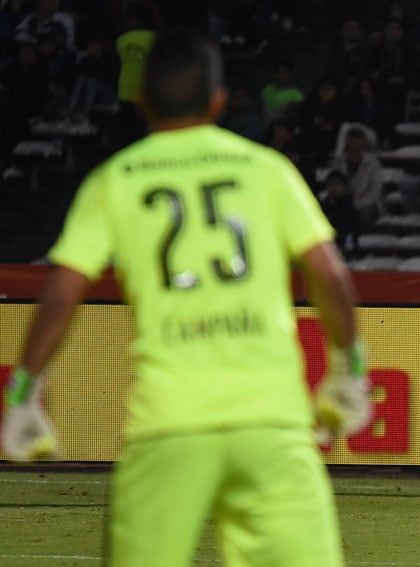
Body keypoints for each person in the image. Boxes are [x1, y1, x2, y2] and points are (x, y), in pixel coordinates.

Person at [0, 30, 370, 566]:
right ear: (220, 100)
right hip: (271, 424)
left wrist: (24, 391)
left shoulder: (115, 179)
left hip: (168, 425)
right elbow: (330, 275)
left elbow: (62, 291)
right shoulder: (267, 169)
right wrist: (347, 365)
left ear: (142, 100)